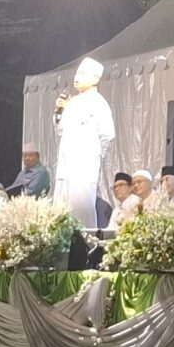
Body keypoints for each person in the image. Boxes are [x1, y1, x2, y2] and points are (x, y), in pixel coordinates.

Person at [52, 58, 116, 230]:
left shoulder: (99, 102)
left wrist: (94, 156)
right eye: (77, 73)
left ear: (95, 79)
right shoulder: (72, 101)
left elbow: (108, 134)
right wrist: (59, 112)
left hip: (83, 165)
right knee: (61, 210)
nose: (77, 77)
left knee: (81, 209)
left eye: (82, 74)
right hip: (65, 164)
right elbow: (61, 130)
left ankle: (86, 242)